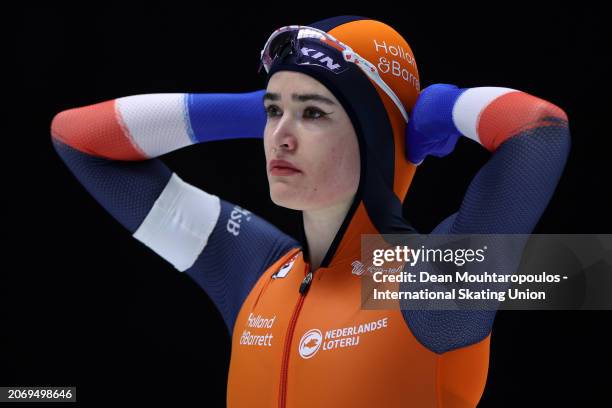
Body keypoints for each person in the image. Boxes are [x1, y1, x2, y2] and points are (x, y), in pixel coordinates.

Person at [50, 15, 570, 407]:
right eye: (273, 111)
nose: (279, 137)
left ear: (377, 137)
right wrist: (253, 108)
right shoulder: (255, 271)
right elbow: (77, 139)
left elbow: (538, 130)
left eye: (313, 114)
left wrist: (452, 109)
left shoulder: (431, 284)